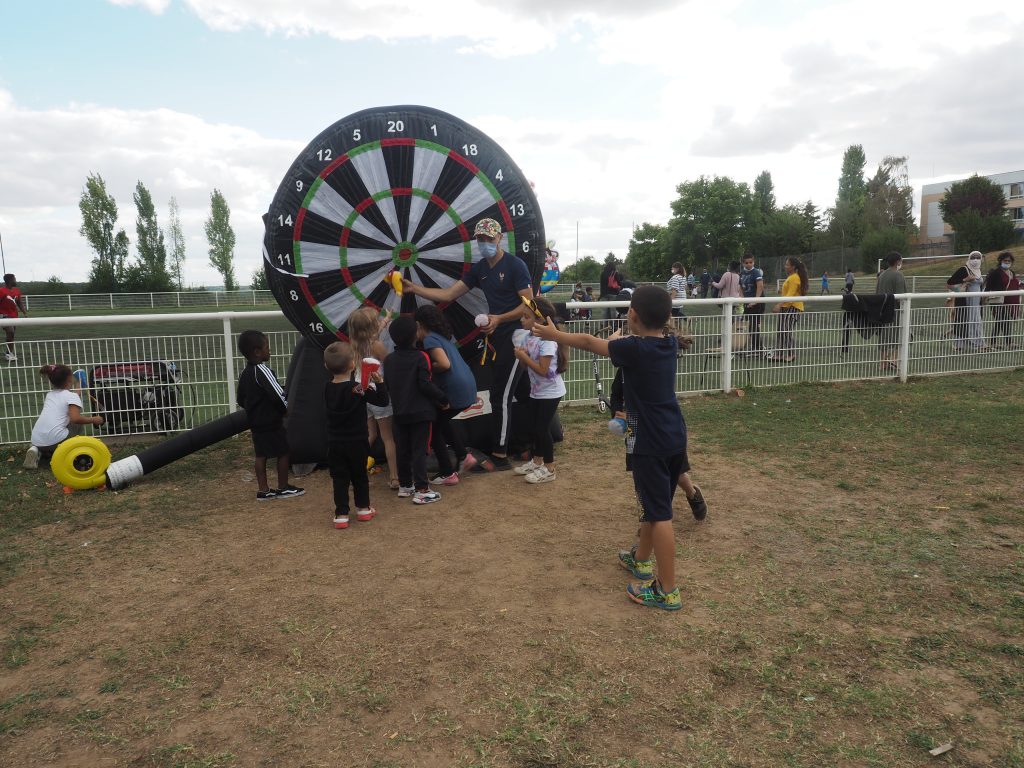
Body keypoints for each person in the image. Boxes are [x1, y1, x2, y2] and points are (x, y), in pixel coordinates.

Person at [533, 285, 689, 611]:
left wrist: (554, 333)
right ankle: (641, 561)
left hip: (649, 441)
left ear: (632, 315)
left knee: (660, 514)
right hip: (673, 436)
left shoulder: (635, 348)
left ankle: (667, 590)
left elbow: (590, 342)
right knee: (652, 503)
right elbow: (621, 343)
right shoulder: (667, 342)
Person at [402, 218, 532, 471]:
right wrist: (414, 288)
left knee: (501, 395)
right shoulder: (480, 268)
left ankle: (500, 454)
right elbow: (449, 294)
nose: (484, 243)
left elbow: (530, 305)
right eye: (480, 239)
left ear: (499, 238)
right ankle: (529, 444)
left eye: (489, 238)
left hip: (517, 335)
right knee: (523, 393)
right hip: (498, 336)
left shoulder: (515, 266)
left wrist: (500, 318)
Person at [382, 315, 449, 504]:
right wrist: (443, 399)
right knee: (420, 450)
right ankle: (422, 489)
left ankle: (405, 486)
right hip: (421, 412)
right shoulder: (422, 357)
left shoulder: (389, 361)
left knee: (403, 449)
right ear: (415, 336)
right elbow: (425, 384)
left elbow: (388, 385)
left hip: (399, 412)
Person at [323, 341, 389, 529]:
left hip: (335, 442)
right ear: (353, 364)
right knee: (359, 475)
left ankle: (341, 514)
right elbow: (382, 402)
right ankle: (363, 509)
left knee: (339, 478)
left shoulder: (326, 389)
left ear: (326, 366)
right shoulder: (358, 389)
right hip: (357, 441)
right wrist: (379, 383)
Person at [235, 330, 304, 501]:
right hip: (271, 421)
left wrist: (253, 411)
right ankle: (283, 487)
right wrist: (285, 410)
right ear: (257, 352)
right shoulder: (263, 371)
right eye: (267, 347)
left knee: (261, 455)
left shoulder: (244, 374)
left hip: (256, 422)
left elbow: (240, 399)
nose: (269, 350)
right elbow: (278, 394)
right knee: (284, 451)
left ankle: (264, 490)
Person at [414, 304, 478, 484]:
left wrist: (423, 370)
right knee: (440, 422)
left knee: (433, 431)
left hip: (455, 390)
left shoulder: (429, 340)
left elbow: (444, 364)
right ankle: (463, 456)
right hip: (467, 387)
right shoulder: (442, 338)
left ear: (419, 325)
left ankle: (447, 472)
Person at [511, 297, 567, 484]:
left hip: (550, 392)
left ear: (541, 320)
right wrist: (521, 356)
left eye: (526, 317)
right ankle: (537, 462)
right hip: (537, 391)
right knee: (534, 428)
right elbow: (525, 366)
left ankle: (549, 468)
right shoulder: (529, 337)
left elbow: (543, 370)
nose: (522, 320)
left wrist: (523, 357)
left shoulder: (548, 341)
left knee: (542, 430)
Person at [348, 307, 400, 489]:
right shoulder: (376, 345)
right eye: (377, 321)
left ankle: (356, 472)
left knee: (370, 435)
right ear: (371, 327)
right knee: (388, 438)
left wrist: (386, 319)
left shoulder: (355, 343)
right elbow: (391, 362)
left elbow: (373, 334)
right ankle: (394, 477)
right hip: (378, 393)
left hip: (362, 393)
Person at [25, 364, 105, 469]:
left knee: (61, 425)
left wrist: (78, 386)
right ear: (69, 380)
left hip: (36, 439)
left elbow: (71, 397)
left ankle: (37, 450)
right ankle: (64, 451)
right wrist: (93, 419)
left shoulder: (50, 395)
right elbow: (75, 419)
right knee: (77, 423)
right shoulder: (71, 397)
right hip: (54, 440)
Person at [947, 251, 987, 351]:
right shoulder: (963, 269)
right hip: (964, 300)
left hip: (976, 301)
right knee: (962, 320)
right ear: (969, 258)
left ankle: (978, 343)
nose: (976, 259)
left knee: (976, 320)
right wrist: (965, 279)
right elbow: (949, 284)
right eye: (973, 257)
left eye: (978, 257)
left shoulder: (979, 271)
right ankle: (959, 345)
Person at [771, 256, 808, 363]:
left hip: (793, 307)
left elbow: (791, 295)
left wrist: (779, 305)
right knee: (781, 330)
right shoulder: (791, 277)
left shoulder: (794, 278)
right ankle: (779, 354)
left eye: (787, 264)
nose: (785, 266)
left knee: (786, 330)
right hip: (786, 307)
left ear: (793, 267)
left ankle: (791, 354)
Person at [875, 252, 906, 371]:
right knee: (899, 336)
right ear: (898, 261)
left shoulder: (882, 275)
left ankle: (882, 363)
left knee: (884, 337)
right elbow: (900, 297)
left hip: (882, 310)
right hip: (894, 311)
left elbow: (877, 292)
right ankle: (893, 361)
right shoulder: (898, 275)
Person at [984, 252, 1021, 348]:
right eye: (1005, 260)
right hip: (997, 299)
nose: (1007, 262)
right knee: (1000, 320)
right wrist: (984, 298)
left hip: (1007, 300)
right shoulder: (995, 273)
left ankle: (1007, 342)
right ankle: (996, 342)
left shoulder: (1011, 273)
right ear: (1000, 261)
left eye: (1009, 261)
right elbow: (988, 286)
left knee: (1004, 320)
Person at [739, 253, 766, 354]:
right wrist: (741, 299)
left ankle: (757, 348)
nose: (749, 264)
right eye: (746, 262)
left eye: (751, 262)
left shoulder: (756, 272)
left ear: (753, 262)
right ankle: (755, 346)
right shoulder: (741, 274)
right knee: (749, 325)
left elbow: (760, 286)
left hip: (757, 303)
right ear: (743, 263)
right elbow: (740, 287)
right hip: (747, 303)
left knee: (754, 325)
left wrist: (756, 300)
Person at [0, 273, 28, 362]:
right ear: (9, 280)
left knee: (11, 335)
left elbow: (19, 302)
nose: (15, 280)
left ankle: (9, 353)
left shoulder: (17, 291)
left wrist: (24, 313)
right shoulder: (1, 291)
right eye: (14, 279)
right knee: (10, 332)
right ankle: (8, 354)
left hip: (14, 316)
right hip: (3, 316)